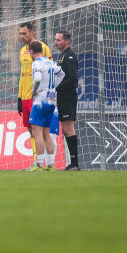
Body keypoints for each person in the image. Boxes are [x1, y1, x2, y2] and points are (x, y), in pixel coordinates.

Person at [17, 22, 51, 164]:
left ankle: (46, 161)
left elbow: (50, 71)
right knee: (31, 130)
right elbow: (22, 75)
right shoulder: (22, 51)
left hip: (37, 95)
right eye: (20, 34)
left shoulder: (43, 48)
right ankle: (36, 160)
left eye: (24, 33)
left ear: (32, 33)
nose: (22, 36)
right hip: (25, 96)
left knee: (41, 130)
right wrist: (19, 97)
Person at [28, 41, 64, 170]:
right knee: (46, 133)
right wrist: (53, 87)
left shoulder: (36, 63)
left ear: (31, 52)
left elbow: (37, 78)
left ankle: (38, 164)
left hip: (40, 100)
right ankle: (50, 164)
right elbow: (62, 74)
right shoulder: (51, 63)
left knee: (36, 132)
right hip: (51, 100)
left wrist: (34, 91)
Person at [53, 30, 81, 170]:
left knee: (69, 129)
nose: (55, 42)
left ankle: (75, 163)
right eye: (55, 39)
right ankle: (73, 163)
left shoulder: (69, 56)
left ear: (67, 41)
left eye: (58, 40)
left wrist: (57, 88)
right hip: (63, 96)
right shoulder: (63, 56)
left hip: (68, 96)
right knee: (65, 129)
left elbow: (72, 78)